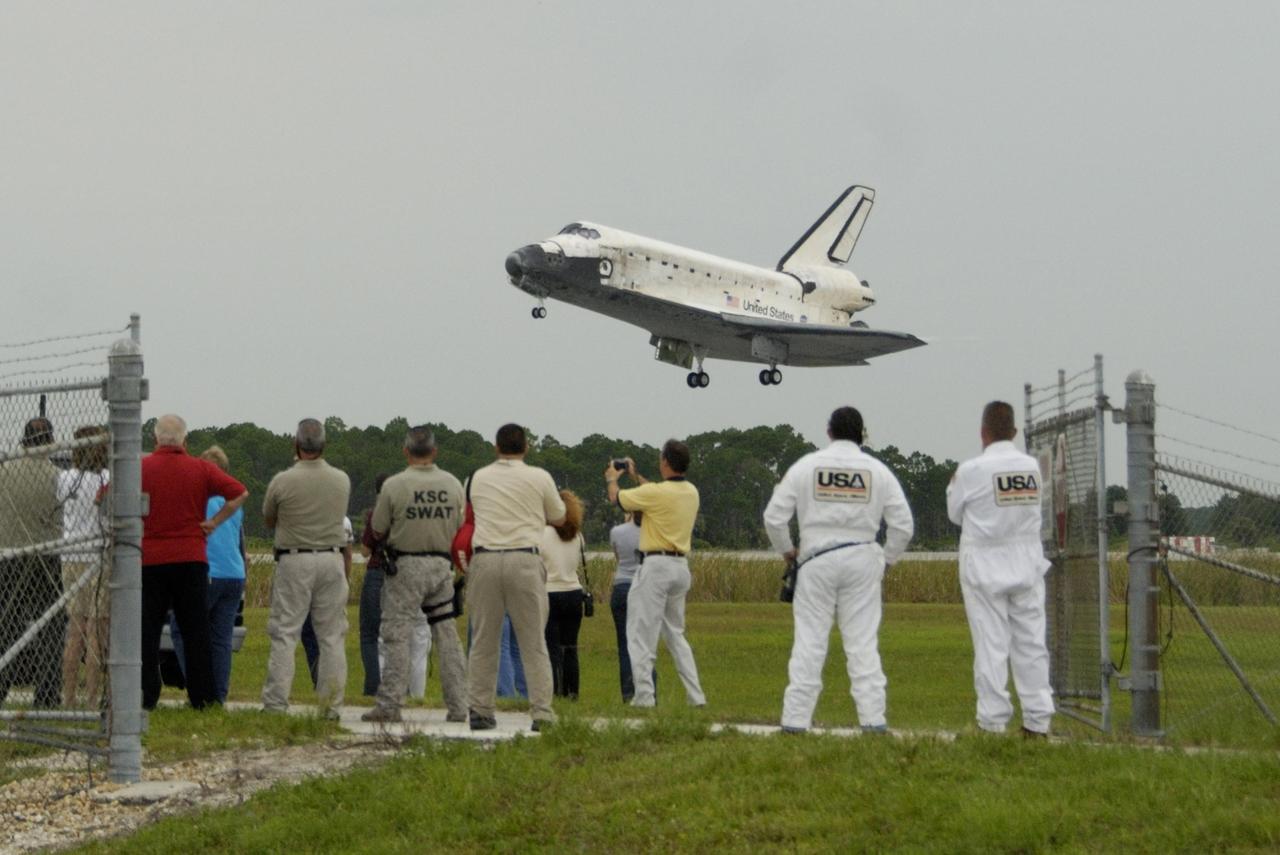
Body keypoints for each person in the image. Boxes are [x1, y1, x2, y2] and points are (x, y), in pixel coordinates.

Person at [763, 406, 914, 733]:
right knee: (862, 643)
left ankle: (794, 722)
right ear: (862, 434)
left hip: (815, 558)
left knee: (809, 642)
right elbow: (903, 526)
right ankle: (873, 722)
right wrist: (886, 560)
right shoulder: (878, 471)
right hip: (862, 556)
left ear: (829, 432)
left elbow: (774, 517)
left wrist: (788, 552)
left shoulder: (807, 466)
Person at [946, 401, 1055, 738]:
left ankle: (992, 722)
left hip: (984, 563)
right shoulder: (1033, 468)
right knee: (1032, 643)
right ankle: (1038, 721)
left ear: (983, 433)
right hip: (1026, 560)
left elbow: (954, 513)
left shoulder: (970, 471)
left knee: (991, 645)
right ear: (1015, 432)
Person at [140, 414, 247, 710]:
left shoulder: (140, 468)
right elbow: (239, 493)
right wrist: (213, 521)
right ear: (185, 441)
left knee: (147, 631)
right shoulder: (200, 468)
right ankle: (204, 697)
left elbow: (107, 496)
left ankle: (147, 694)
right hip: (190, 558)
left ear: (155, 440)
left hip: (150, 559)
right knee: (196, 630)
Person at [362, 426, 467, 724]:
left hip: (406, 566)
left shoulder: (395, 486)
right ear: (434, 452)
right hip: (440, 566)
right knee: (446, 634)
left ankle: (390, 703)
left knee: (396, 634)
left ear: (406, 451)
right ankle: (459, 704)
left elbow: (378, 528)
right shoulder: (452, 484)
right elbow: (460, 524)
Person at [466, 423, 566, 732]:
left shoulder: (478, 477)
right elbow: (559, 515)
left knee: (484, 639)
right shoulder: (539, 477)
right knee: (533, 641)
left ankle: (481, 710)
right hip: (524, 557)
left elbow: (468, 513)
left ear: (496, 447)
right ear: (526, 447)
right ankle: (541, 712)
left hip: (484, 558)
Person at [260, 418, 351, 715]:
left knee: (286, 631)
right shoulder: (341, 479)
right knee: (331, 635)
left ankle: (276, 703)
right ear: (324, 445)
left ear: (296, 444)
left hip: (295, 557)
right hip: (332, 557)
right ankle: (331, 706)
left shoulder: (282, 480)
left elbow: (269, 518)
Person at [606, 439, 706, 708]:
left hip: (656, 566)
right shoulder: (691, 492)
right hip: (680, 567)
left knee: (640, 635)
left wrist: (613, 479)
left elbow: (619, 499)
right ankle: (696, 696)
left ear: (664, 462)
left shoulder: (656, 494)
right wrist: (636, 474)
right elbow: (655, 491)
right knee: (676, 634)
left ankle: (644, 697)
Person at [169, 446, 249, 704]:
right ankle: (219, 695)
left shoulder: (200, 500)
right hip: (234, 576)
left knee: (183, 629)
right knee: (221, 639)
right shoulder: (234, 505)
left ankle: (198, 689)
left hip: (209, 574)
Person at [0, 418, 66, 708]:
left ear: (24, 442)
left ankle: (2, 686)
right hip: (47, 557)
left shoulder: (4, 471)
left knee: (7, 625)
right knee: (50, 625)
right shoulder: (59, 476)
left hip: (9, 555)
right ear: (50, 442)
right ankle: (47, 694)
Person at [58, 425, 110, 708]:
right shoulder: (107, 478)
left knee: (74, 627)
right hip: (98, 556)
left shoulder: (64, 478)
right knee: (95, 631)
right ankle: (91, 697)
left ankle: (68, 697)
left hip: (70, 555)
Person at [299, 515, 354, 689]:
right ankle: (328, 676)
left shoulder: (307, 516)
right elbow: (348, 556)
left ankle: (319, 674)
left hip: (310, 577)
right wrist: (345, 580)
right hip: (335, 578)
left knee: (308, 630)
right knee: (331, 632)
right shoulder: (344, 520)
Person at [541, 489, 586, 699]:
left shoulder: (543, 534)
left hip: (550, 592)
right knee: (571, 646)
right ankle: (573, 691)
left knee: (552, 647)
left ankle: (556, 690)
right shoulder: (578, 536)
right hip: (574, 593)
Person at [608, 511, 652, 703]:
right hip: (643, 586)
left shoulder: (617, 532)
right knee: (645, 643)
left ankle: (628, 693)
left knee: (624, 645)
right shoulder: (653, 532)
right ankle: (650, 692)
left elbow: (619, 558)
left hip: (621, 586)